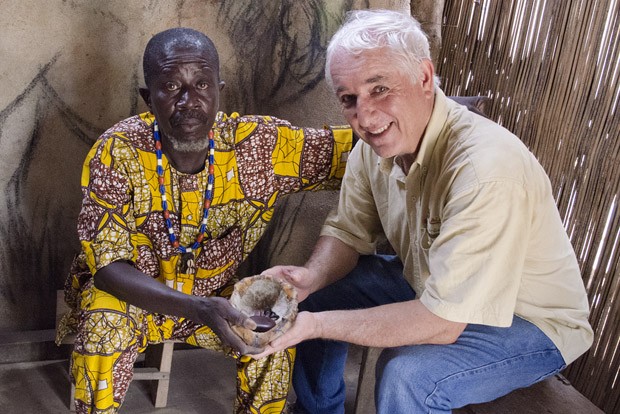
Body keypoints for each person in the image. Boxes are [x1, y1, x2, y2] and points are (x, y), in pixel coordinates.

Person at [254, 9, 594, 413]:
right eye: (349, 99)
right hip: (435, 285)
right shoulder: (372, 147)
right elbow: (348, 231)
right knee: (316, 293)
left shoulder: (486, 171)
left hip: (530, 323)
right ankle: (317, 410)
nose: (364, 116)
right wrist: (311, 277)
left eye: (379, 89)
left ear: (424, 78)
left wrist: (315, 328)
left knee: (409, 375)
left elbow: (441, 323)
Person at [55, 27, 352, 414]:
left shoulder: (257, 147)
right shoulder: (117, 152)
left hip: (217, 294)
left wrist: (438, 113)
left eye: (201, 84)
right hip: (132, 299)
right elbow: (109, 270)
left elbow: (356, 147)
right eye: (172, 86)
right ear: (149, 98)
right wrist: (197, 308)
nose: (188, 100)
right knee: (102, 327)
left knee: (275, 340)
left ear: (219, 89)